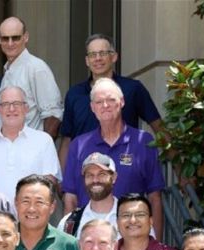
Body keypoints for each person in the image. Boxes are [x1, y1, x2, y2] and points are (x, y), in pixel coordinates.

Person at [62, 78, 165, 236]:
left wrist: (156, 246)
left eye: (111, 99)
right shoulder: (78, 145)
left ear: (122, 102)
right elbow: (70, 198)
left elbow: (155, 198)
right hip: (88, 237)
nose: (105, 105)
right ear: (92, 107)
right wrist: (67, 243)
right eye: (99, 101)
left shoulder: (143, 142)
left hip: (132, 238)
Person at [59, 34, 163, 169]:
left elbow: (158, 127)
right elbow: (67, 140)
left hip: (125, 171)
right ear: (87, 61)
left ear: (114, 57)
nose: (97, 58)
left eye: (103, 53)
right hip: (84, 175)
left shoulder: (133, 89)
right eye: (92, 54)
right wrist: (60, 181)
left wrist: (180, 171)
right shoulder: (74, 94)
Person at [0, 86, 62, 202]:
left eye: (17, 104)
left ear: (26, 108)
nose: (11, 109)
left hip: (32, 215)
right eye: (5, 104)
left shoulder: (43, 141)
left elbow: (49, 183)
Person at [0, 17, 62, 138]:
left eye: (15, 38)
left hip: (29, 153)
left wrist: (41, 150)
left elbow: (53, 117)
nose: (10, 43)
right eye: (5, 38)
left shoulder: (37, 68)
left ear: (26, 37)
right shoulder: (8, 69)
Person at [59, 152, 137, 239]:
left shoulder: (134, 219)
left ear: (114, 177)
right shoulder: (70, 222)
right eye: (89, 175)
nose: (95, 180)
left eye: (101, 174)